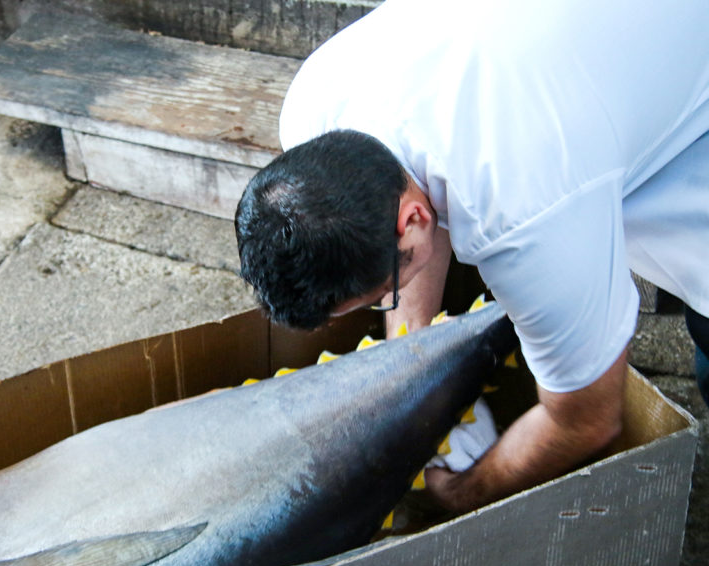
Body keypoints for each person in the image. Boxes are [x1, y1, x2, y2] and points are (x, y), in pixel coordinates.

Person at [235, 0, 709, 515]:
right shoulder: (313, 107)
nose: (388, 303)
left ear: (413, 221)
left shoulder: (522, 215)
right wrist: (411, 353)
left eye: (382, 298)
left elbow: (586, 419)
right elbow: (407, 192)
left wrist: (458, 495)